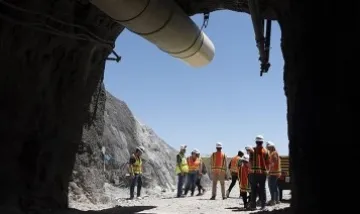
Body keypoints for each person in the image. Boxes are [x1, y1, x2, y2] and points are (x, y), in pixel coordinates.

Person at [248, 135, 270, 210]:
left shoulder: (252, 150)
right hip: (263, 174)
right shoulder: (266, 151)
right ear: (262, 142)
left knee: (253, 189)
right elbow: (268, 163)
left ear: (256, 142)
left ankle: (253, 205)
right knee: (262, 189)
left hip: (253, 173)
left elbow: (250, 161)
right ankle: (263, 205)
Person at [266, 141, 281, 205]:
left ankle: (273, 200)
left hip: (273, 173)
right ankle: (276, 200)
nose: (267, 148)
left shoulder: (273, 153)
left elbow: (273, 162)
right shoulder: (274, 153)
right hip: (275, 173)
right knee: (274, 186)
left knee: (271, 186)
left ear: (271, 147)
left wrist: (269, 170)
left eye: (268, 147)